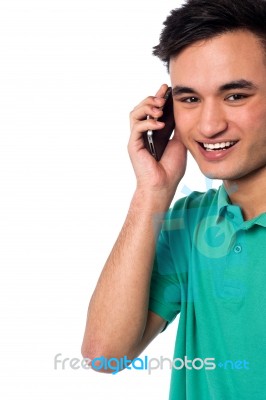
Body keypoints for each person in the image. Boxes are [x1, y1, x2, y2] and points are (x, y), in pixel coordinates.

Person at [81, 0, 266, 398]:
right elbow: (104, 355)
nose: (210, 125)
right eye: (189, 99)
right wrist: (153, 192)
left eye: (235, 96)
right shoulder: (192, 222)